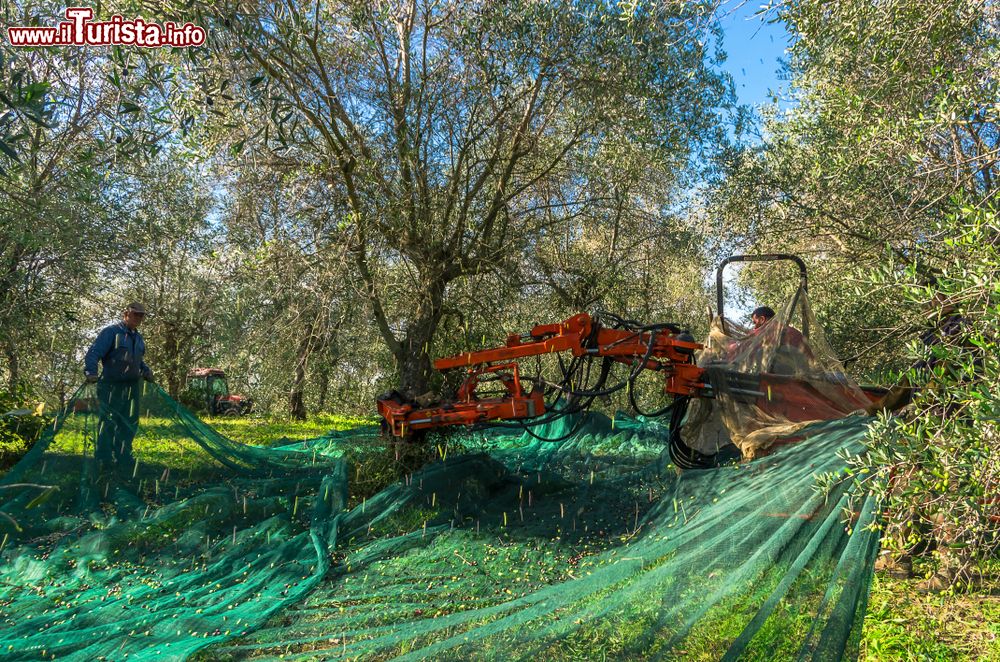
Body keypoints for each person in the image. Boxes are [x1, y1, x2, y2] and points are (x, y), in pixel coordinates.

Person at [84, 302, 154, 470]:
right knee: (108, 422)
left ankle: (123, 456)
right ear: (126, 314)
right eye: (135, 314)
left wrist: (145, 370)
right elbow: (94, 353)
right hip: (111, 387)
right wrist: (90, 372)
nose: (138, 318)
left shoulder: (138, 337)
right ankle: (104, 459)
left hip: (131, 387)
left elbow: (137, 360)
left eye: (141, 315)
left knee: (129, 423)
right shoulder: (111, 332)